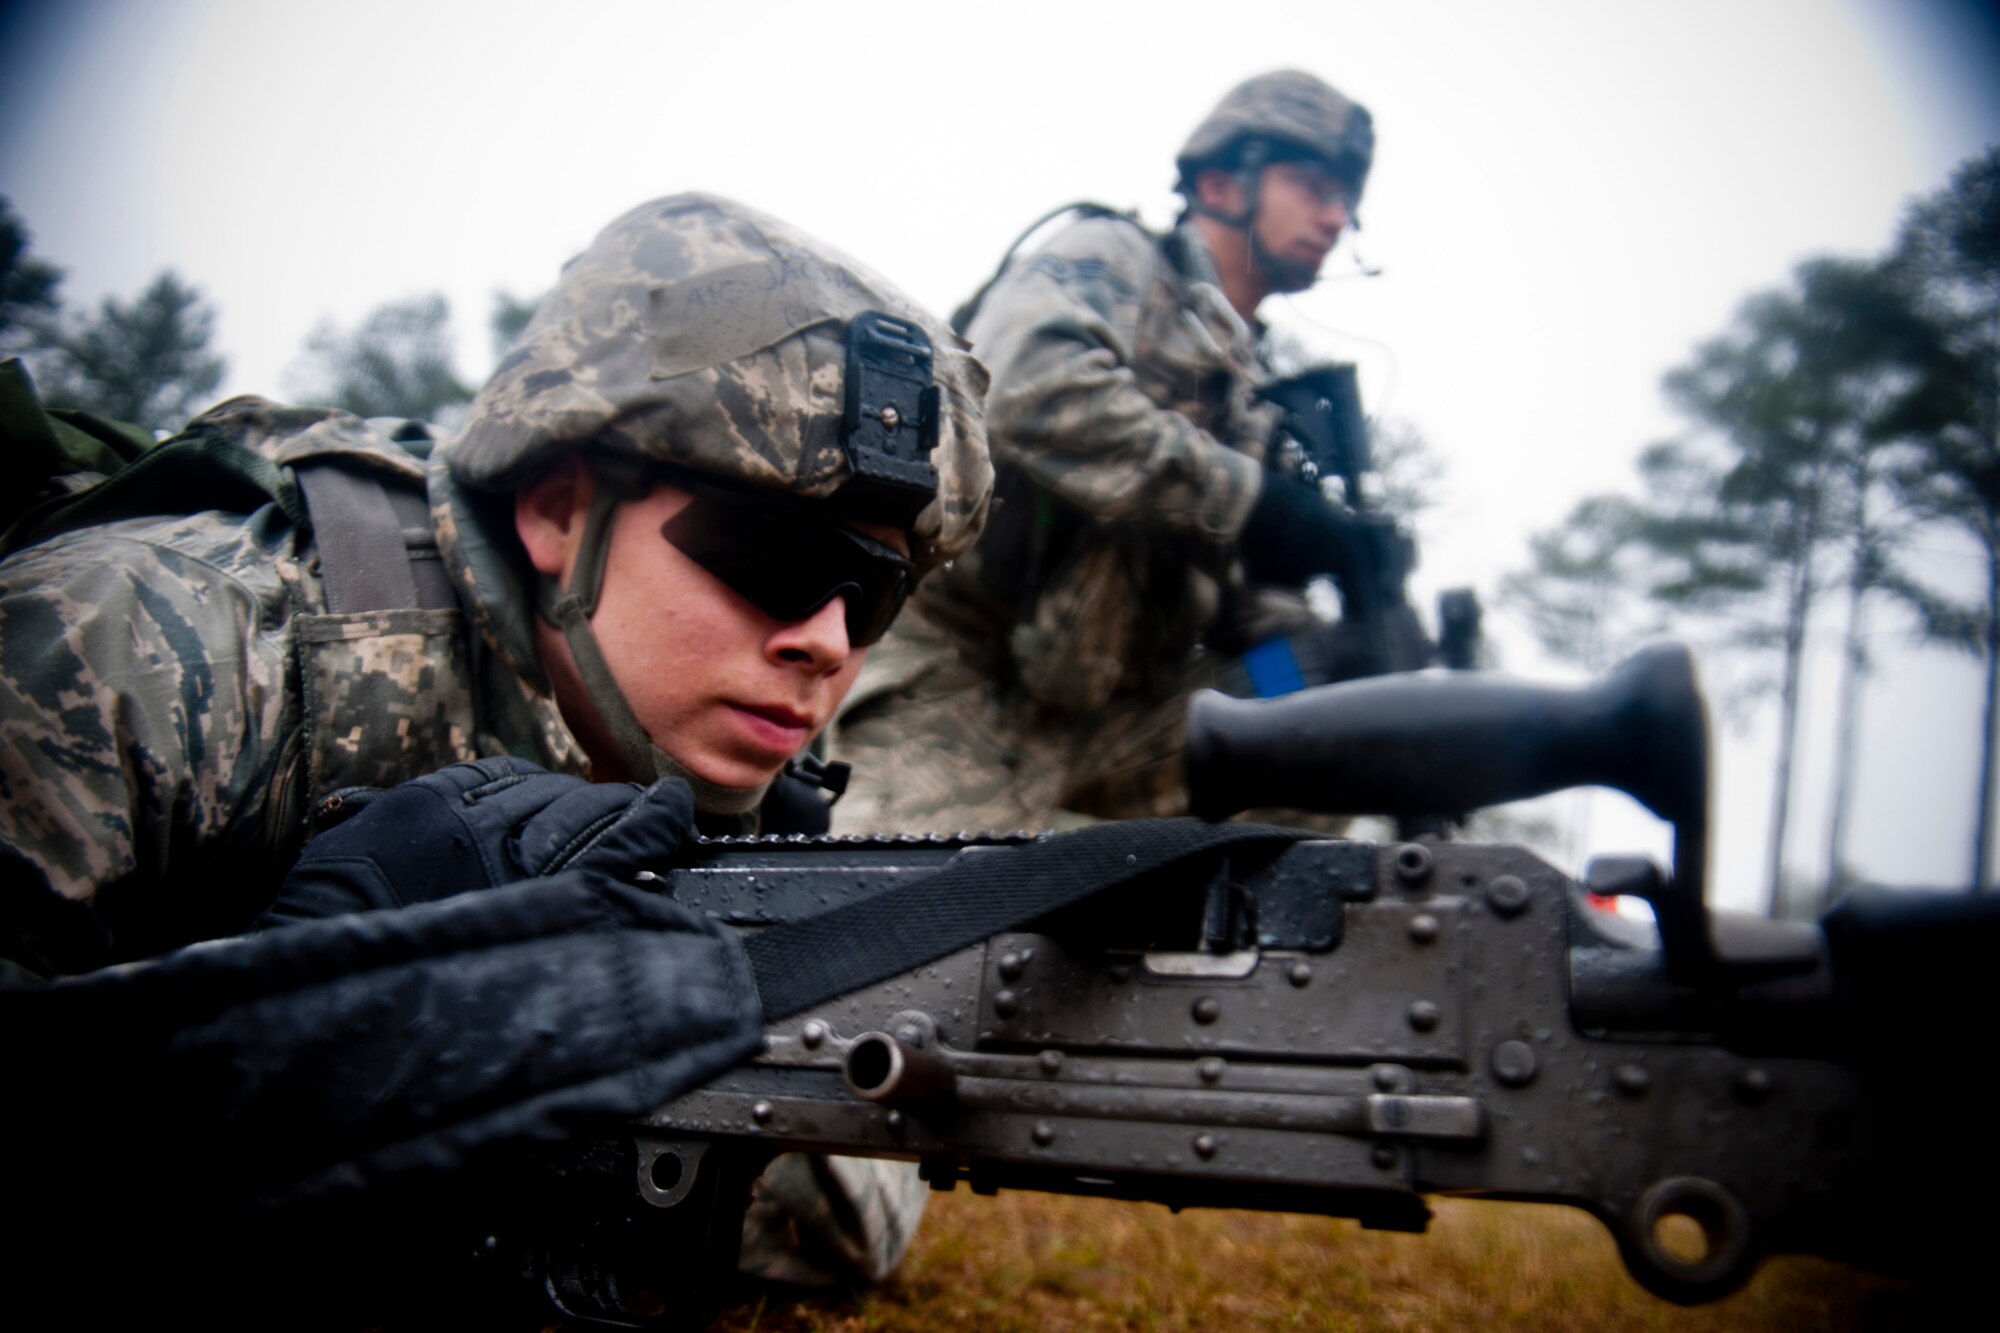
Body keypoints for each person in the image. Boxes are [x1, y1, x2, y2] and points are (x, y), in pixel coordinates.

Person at [0, 192, 992, 1316]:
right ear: (559, 510)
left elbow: (835, 1228)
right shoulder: (153, 639)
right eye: (773, 555)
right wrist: (302, 1027)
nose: (827, 641)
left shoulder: (728, 735)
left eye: (875, 594)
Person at [831, 70, 1396, 833]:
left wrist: (1329, 656)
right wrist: (1252, 502)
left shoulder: (1250, 394)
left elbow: (1232, 603)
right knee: (919, 897)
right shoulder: (1113, 257)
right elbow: (1028, 386)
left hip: (1114, 712)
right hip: (960, 670)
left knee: (1316, 746)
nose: (1334, 216)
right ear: (1221, 184)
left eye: (1344, 198)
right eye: (1312, 186)